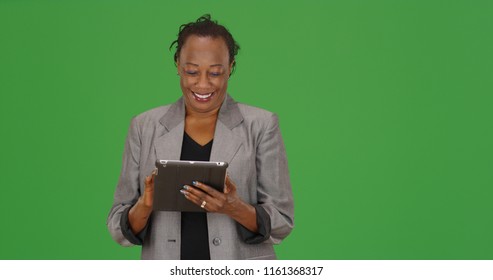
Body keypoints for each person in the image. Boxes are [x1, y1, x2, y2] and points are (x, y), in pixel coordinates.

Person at [107, 14, 294, 260]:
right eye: (192, 71)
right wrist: (146, 204)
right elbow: (117, 225)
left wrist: (234, 208)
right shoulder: (144, 126)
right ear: (177, 65)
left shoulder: (261, 125)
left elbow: (282, 221)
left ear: (231, 67)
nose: (203, 84)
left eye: (215, 73)